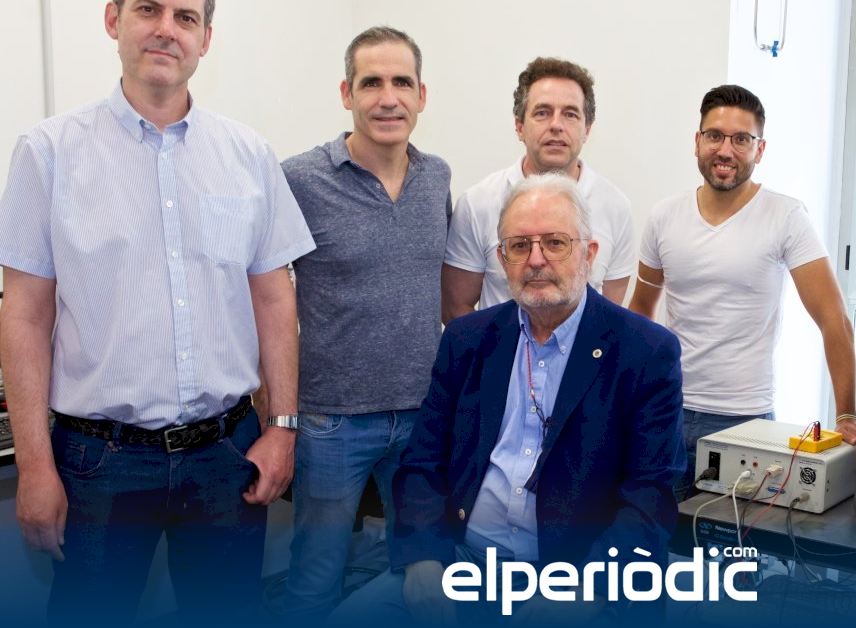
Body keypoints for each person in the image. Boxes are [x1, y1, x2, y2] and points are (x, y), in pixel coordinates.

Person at [0, 0, 315, 622]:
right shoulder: (48, 153)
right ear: (113, 21)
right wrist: (35, 467)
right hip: (98, 463)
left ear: (206, 39)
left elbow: (275, 297)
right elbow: (24, 315)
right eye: (149, 9)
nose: (167, 29)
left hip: (226, 454)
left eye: (186, 17)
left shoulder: (248, 154)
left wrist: (282, 428)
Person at [334, 173, 684, 623]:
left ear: (589, 253)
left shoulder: (645, 351)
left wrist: (591, 588)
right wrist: (423, 559)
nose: (536, 260)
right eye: (519, 246)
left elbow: (649, 496)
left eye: (555, 243)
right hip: (463, 560)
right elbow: (422, 463)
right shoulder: (468, 340)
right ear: (502, 259)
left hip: (576, 572)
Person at [276, 26, 451, 619]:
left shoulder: (437, 177)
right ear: (346, 93)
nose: (388, 98)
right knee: (315, 578)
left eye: (402, 82)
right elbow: (265, 295)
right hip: (331, 421)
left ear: (422, 95)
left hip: (423, 417)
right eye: (371, 83)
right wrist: (275, 407)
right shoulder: (300, 179)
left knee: (419, 571)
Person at [629, 84, 856, 500]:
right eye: (715, 136)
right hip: (666, 410)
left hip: (744, 421)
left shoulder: (786, 217)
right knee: (657, 535)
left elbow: (834, 318)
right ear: (697, 141)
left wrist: (845, 414)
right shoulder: (664, 217)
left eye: (741, 139)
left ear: (760, 149)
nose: (725, 150)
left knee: (731, 540)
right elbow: (640, 314)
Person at [441, 57, 635, 321]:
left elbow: (608, 313)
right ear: (519, 126)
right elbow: (455, 307)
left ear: (587, 129)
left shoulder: (615, 206)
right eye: (542, 112)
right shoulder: (478, 204)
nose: (556, 125)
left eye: (570, 114)